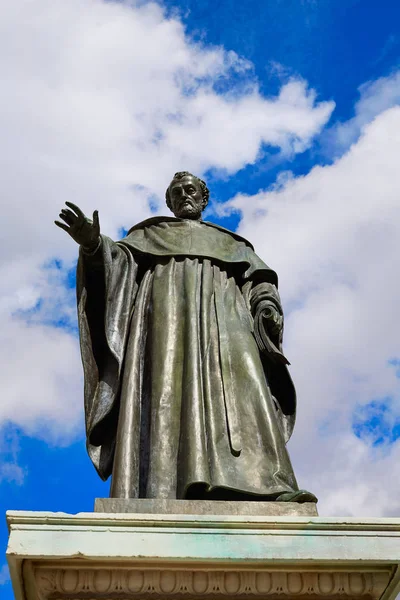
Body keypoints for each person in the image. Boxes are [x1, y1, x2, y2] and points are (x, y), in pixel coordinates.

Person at [55, 171, 316, 502]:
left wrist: (266, 305)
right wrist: (93, 245)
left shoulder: (234, 245)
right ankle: (164, 489)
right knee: (167, 397)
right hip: (166, 329)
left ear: (204, 197)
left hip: (228, 325)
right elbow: (116, 269)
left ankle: (268, 483)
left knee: (248, 393)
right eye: (176, 192)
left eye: (190, 189)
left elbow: (259, 281)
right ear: (169, 201)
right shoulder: (148, 236)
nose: (184, 196)